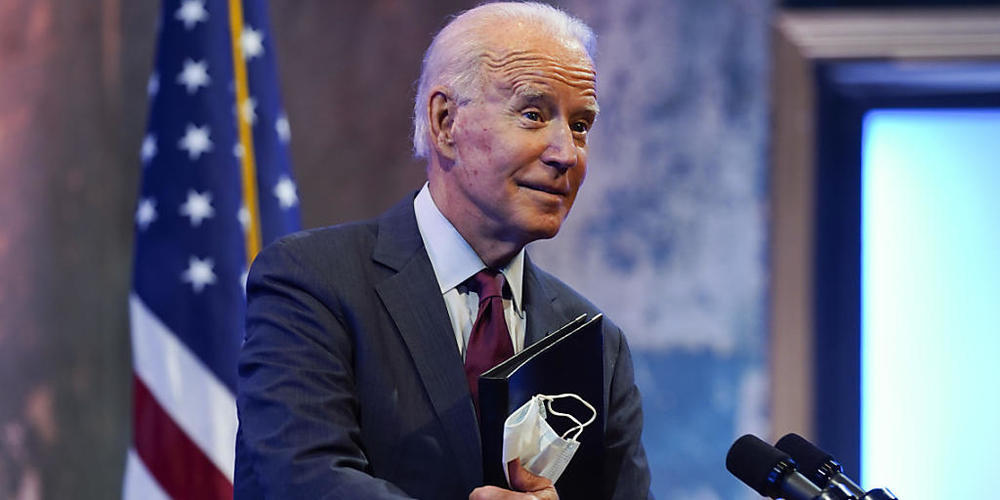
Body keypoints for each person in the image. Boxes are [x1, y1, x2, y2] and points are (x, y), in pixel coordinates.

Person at [235, 3, 652, 499]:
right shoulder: (312, 281)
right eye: (534, 115)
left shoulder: (598, 344)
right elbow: (300, 481)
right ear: (445, 120)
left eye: (581, 124)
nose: (566, 153)